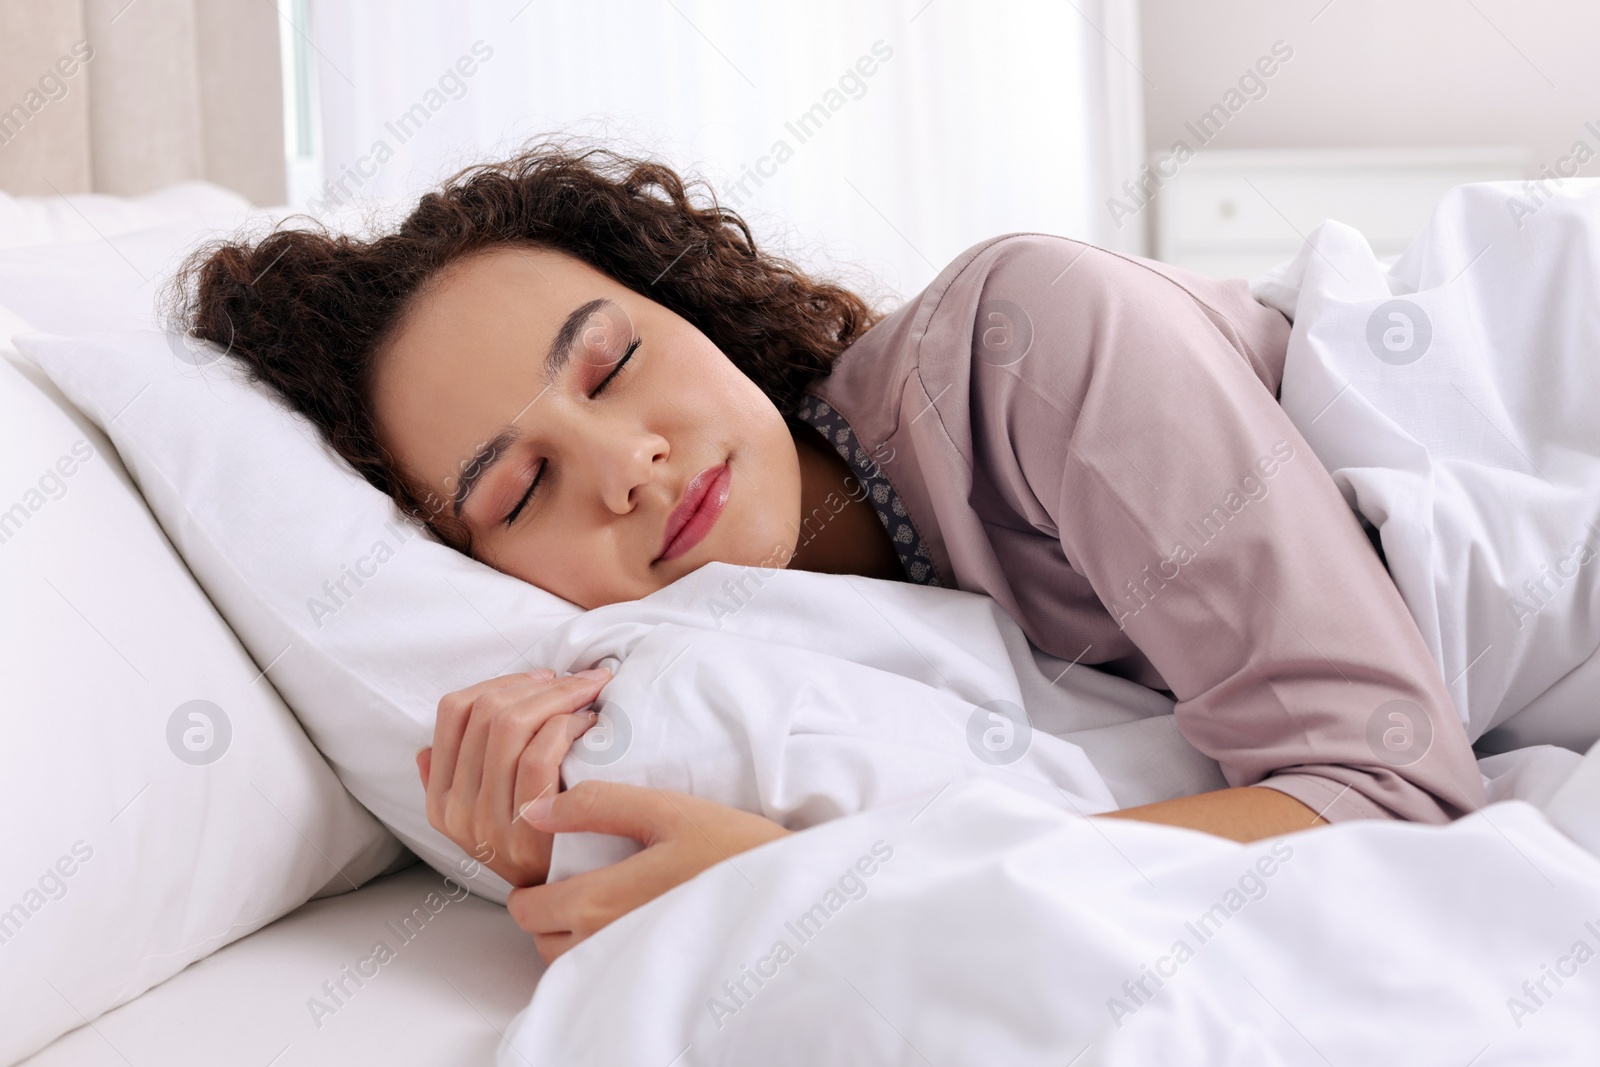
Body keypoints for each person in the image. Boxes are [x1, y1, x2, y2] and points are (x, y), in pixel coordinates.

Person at [175, 138, 1486, 964]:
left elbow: (1393, 796)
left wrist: (810, 888)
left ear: (692, 309)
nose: (626, 463)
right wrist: (547, 835)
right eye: (523, 492)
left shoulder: (1027, 340)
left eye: (617, 362)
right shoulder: (786, 653)